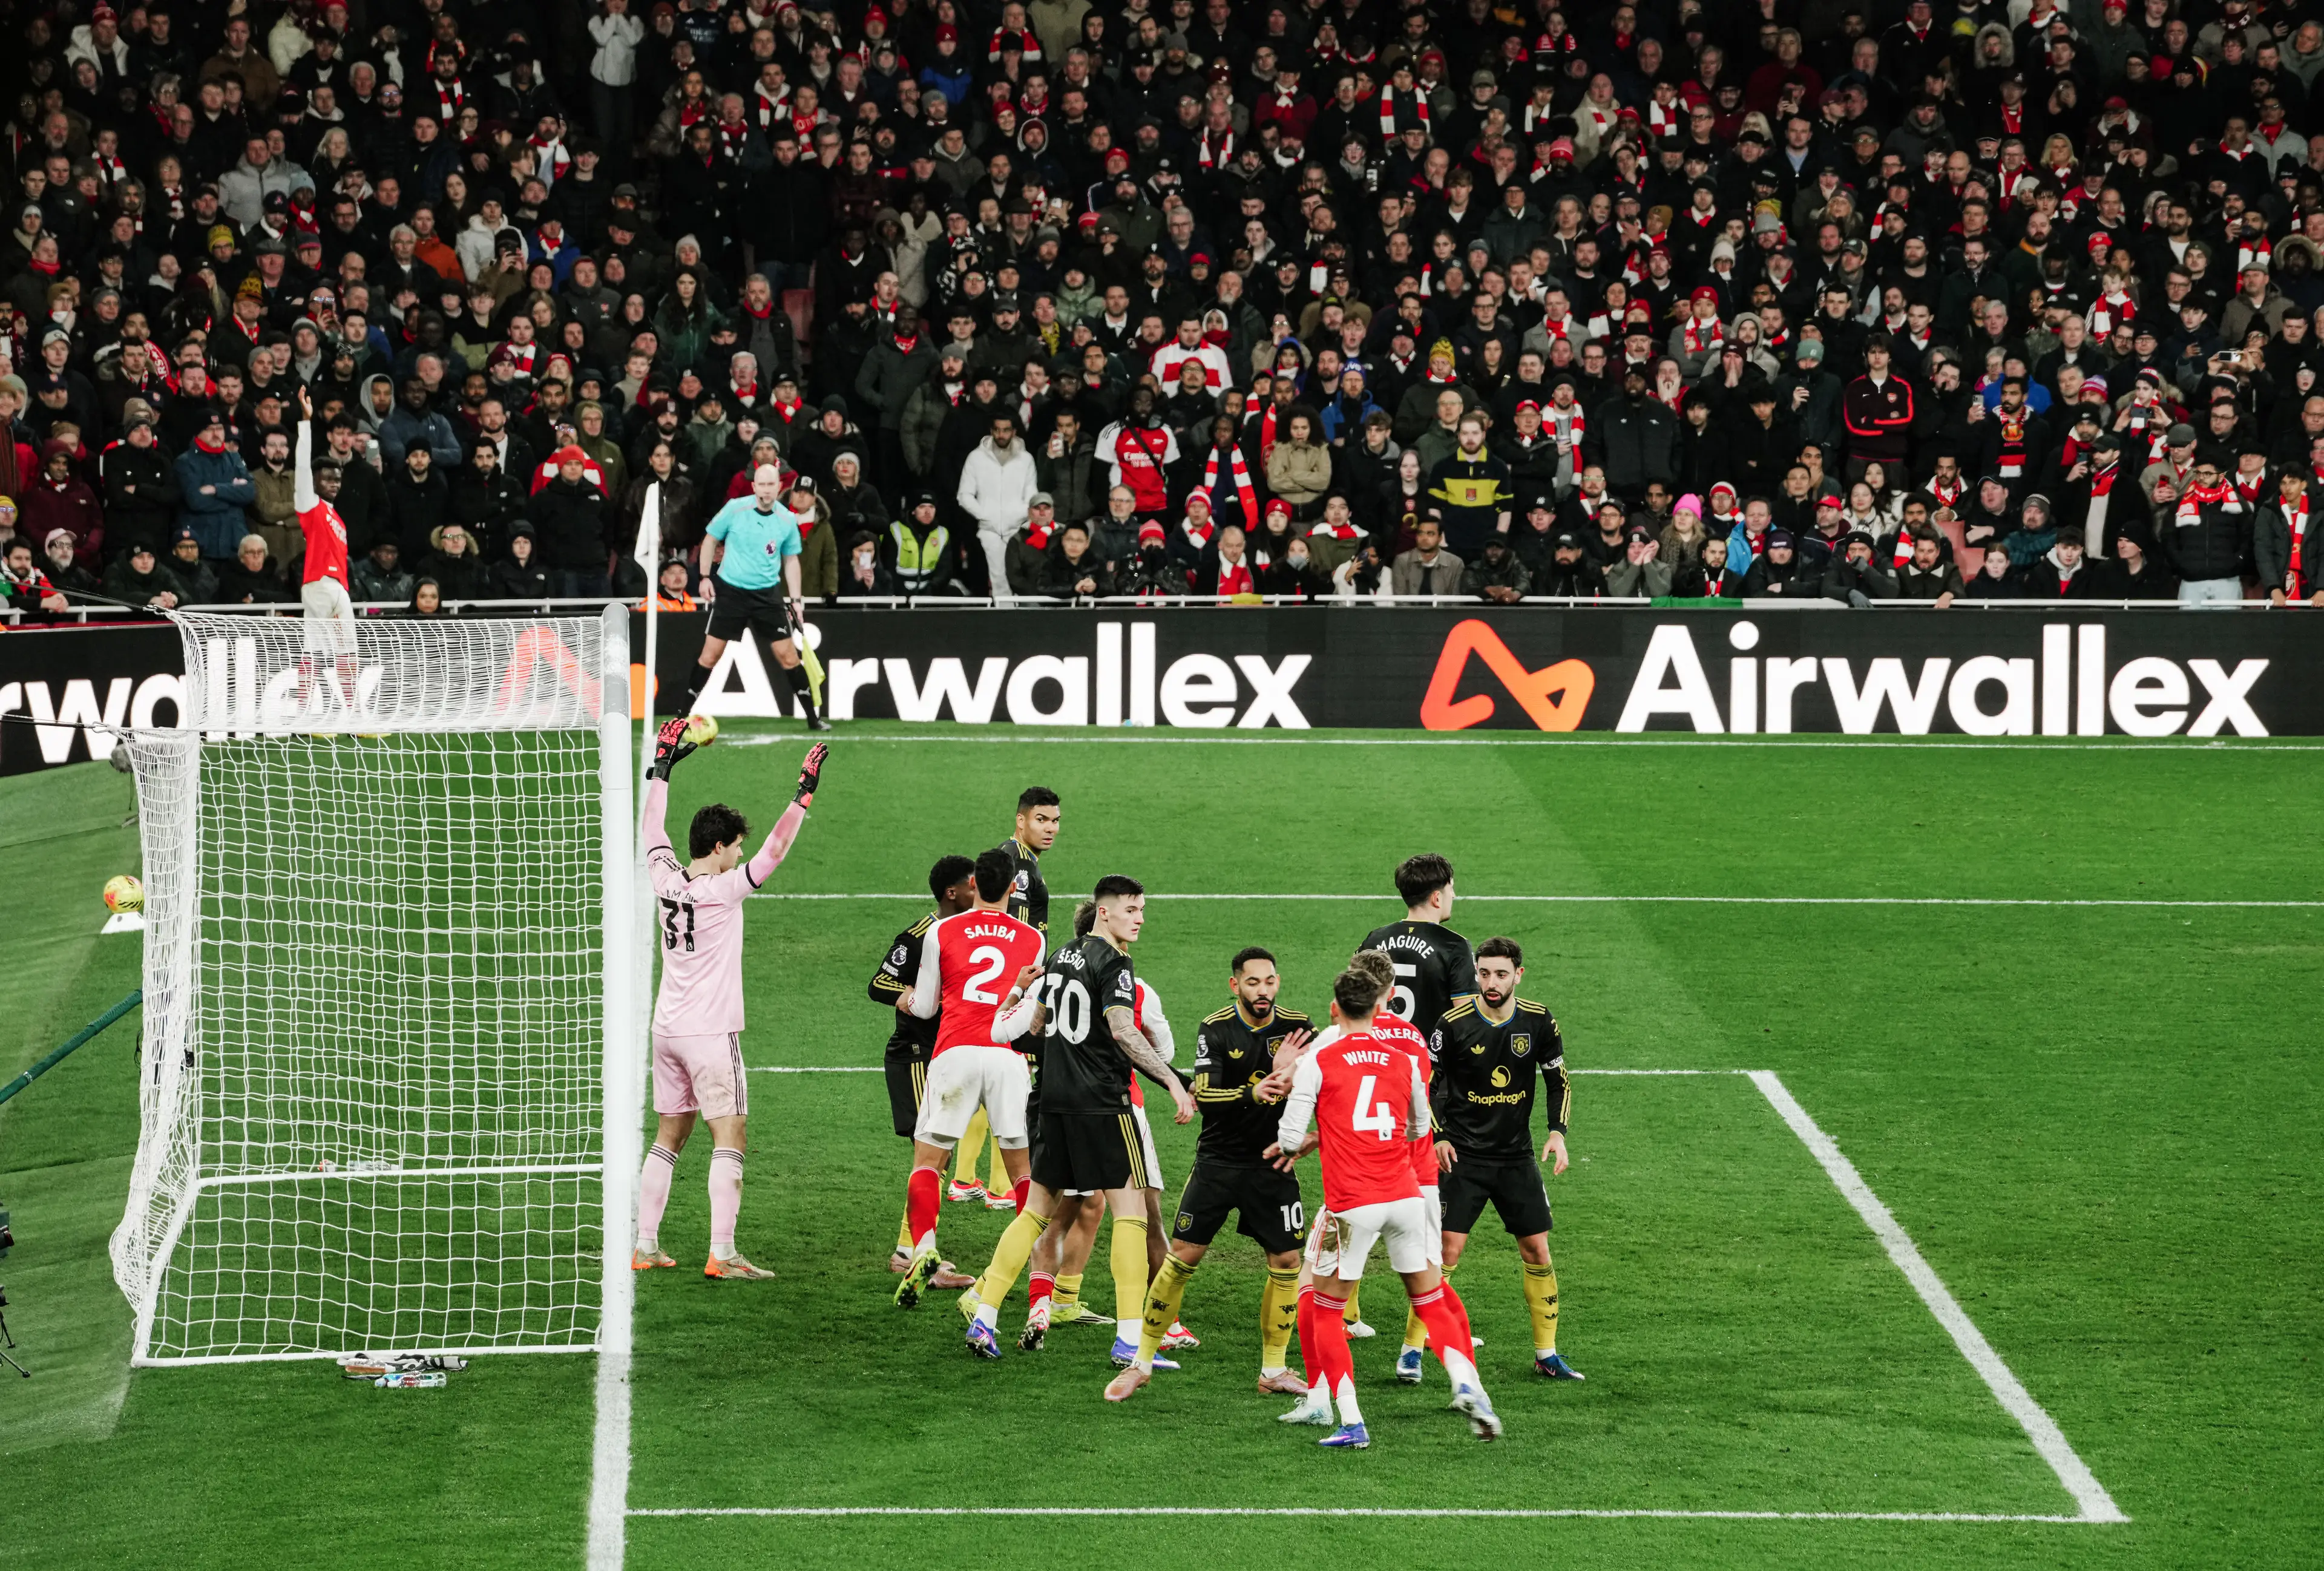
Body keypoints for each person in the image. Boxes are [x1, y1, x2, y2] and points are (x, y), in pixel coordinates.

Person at [957, 874, 1193, 1362]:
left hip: (1052, 1103)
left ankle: (985, 1317)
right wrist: (1171, 1079)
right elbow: (1124, 1031)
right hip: (1103, 1106)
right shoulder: (1117, 964)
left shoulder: (1063, 953)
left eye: (1142, 909)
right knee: (1131, 1216)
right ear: (1104, 912)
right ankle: (1130, 1341)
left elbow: (1037, 1023)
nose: (1140, 918)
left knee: (1035, 1213)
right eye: (1131, 909)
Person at [1264, 961, 1502, 1447]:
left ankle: (1348, 1420)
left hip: (1352, 1203)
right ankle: (1466, 1385)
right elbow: (1420, 1129)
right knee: (1431, 1300)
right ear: (1380, 1006)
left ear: (1335, 1009)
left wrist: (1320, 1136)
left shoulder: (1320, 1058)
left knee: (1327, 1308)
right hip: (1406, 1195)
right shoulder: (1403, 1058)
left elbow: (1289, 1139)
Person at [632, 723, 827, 1281]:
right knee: (730, 1135)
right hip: (711, 1034)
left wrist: (662, 769)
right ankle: (723, 1252)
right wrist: (801, 797)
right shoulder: (723, 890)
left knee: (670, 1134)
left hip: (666, 1029)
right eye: (735, 844)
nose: (741, 852)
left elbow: (652, 827)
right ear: (719, 848)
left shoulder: (665, 877)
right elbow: (776, 851)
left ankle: (646, 1244)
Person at [1104, 946, 1314, 1400]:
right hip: (1218, 1162)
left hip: (1272, 1164)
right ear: (1235, 985)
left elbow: (1317, 1085)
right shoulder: (1216, 1027)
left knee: (1287, 1262)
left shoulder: (1298, 1028)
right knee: (1182, 1258)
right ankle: (1140, 1363)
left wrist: (1293, 1084)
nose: (1264, 991)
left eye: (1270, 981)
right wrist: (1256, 1091)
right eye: (1253, 982)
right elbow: (1204, 1094)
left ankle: (1274, 1371)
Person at [892, 846, 1050, 1311]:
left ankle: (923, 1250)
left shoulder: (942, 930)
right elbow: (1029, 1010)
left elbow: (924, 1007)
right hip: (1005, 1058)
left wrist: (904, 1001)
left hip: (955, 1052)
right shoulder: (1033, 940)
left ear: (975, 885)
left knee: (929, 1162)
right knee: (1022, 1172)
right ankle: (1033, 1265)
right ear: (1014, 888)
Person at [1430, 937, 1584, 1382]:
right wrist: (1438, 1137)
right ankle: (1420, 1344)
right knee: (1446, 1251)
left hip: (1515, 1157)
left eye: (1500, 974)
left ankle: (1547, 1354)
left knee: (1537, 1249)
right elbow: (1429, 1082)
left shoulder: (1538, 1020)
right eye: (1483, 973)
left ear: (1518, 974)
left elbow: (1559, 1081)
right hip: (1463, 1155)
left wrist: (1557, 1132)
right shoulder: (1453, 1022)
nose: (1490, 982)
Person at [869, 854, 983, 1287]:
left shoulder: (969, 933)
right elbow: (879, 983)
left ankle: (911, 1250)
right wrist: (912, 995)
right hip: (916, 1053)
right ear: (953, 893)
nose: (980, 891)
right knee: (932, 1153)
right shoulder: (919, 935)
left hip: (945, 1053)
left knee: (938, 1154)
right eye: (973, 885)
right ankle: (914, 1255)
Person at [947, 785, 1061, 1212]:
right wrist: (1026, 989)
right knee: (1011, 1080)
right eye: (1041, 820)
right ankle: (998, 1186)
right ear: (1021, 820)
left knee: (988, 1079)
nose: (1050, 829)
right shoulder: (1020, 869)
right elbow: (1010, 931)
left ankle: (963, 1178)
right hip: (1014, 985)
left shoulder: (1016, 859)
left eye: (1055, 821)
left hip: (1005, 983)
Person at [679, 462, 827, 731]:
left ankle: (812, 719)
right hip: (731, 592)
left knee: (789, 657)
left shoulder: (786, 519)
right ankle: (680, 716)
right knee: (710, 655)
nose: (767, 490)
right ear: (754, 486)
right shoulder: (735, 509)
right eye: (762, 484)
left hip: (767, 595)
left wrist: (796, 601)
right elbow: (710, 539)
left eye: (772, 485)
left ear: (780, 487)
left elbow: (791, 560)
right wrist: (704, 577)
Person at [294, 388, 358, 705]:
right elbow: (303, 467)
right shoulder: (310, 504)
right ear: (316, 481)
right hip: (319, 583)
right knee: (323, 649)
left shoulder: (340, 520)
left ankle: (347, 712)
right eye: (327, 478)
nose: (333, 483)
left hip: (339, 587)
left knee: (341, 650)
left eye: (337, 479)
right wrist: (306, 423)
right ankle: (312, 711)